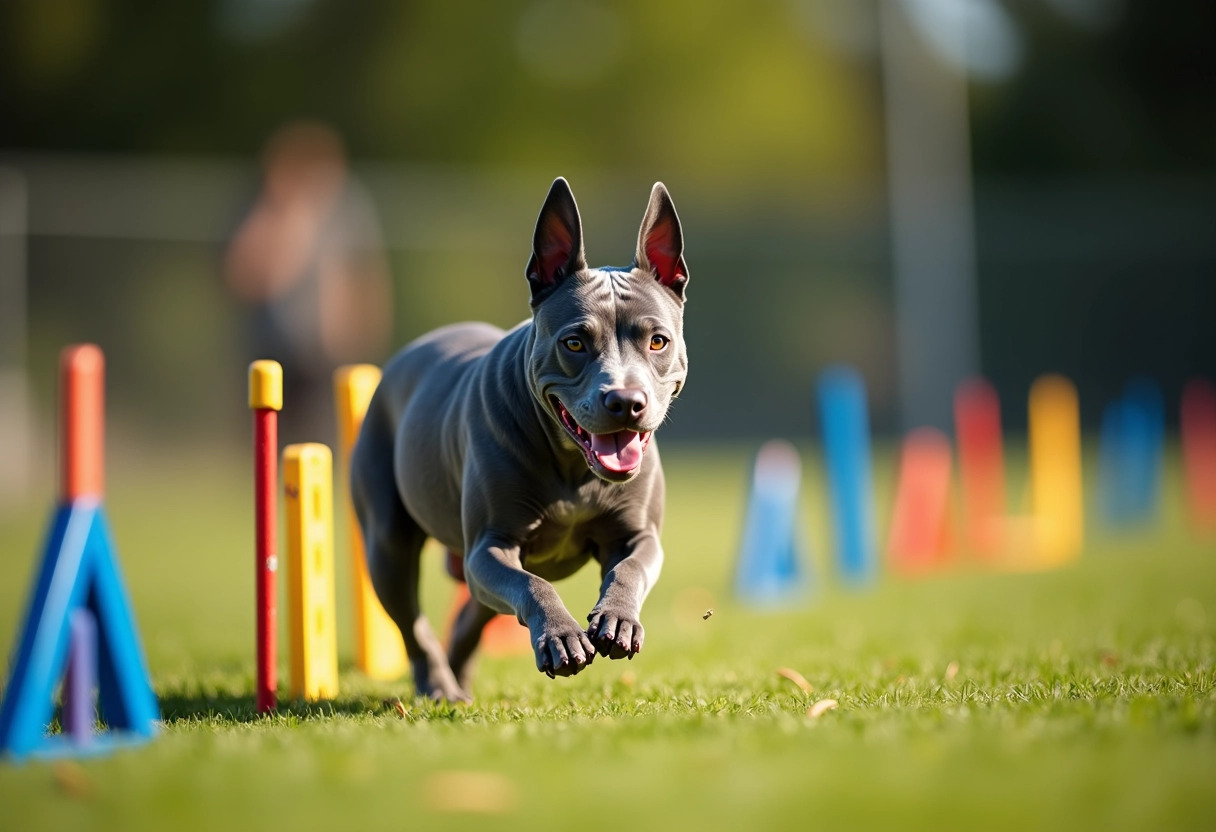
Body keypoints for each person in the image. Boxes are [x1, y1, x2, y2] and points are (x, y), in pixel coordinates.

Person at [224, 122, 392, 443]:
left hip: (323, 350)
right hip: (270, 347)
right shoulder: (263, 207)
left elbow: (364, 272)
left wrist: (365, 328)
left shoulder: (348, 208)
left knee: (323, 438)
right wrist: (280, 214)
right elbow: (242, 273)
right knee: (267, 438)